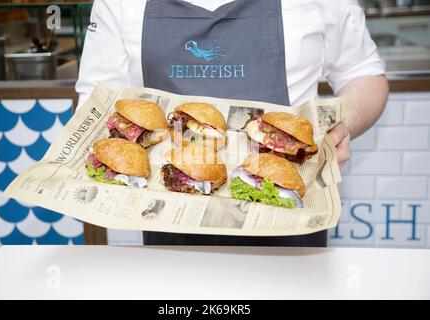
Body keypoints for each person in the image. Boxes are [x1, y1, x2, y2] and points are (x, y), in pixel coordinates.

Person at [76, 0, 389, 247]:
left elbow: (362, 73)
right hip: (170, 230)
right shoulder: (117, 3)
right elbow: (97, 99)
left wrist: (344, 125)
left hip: (293, 224)